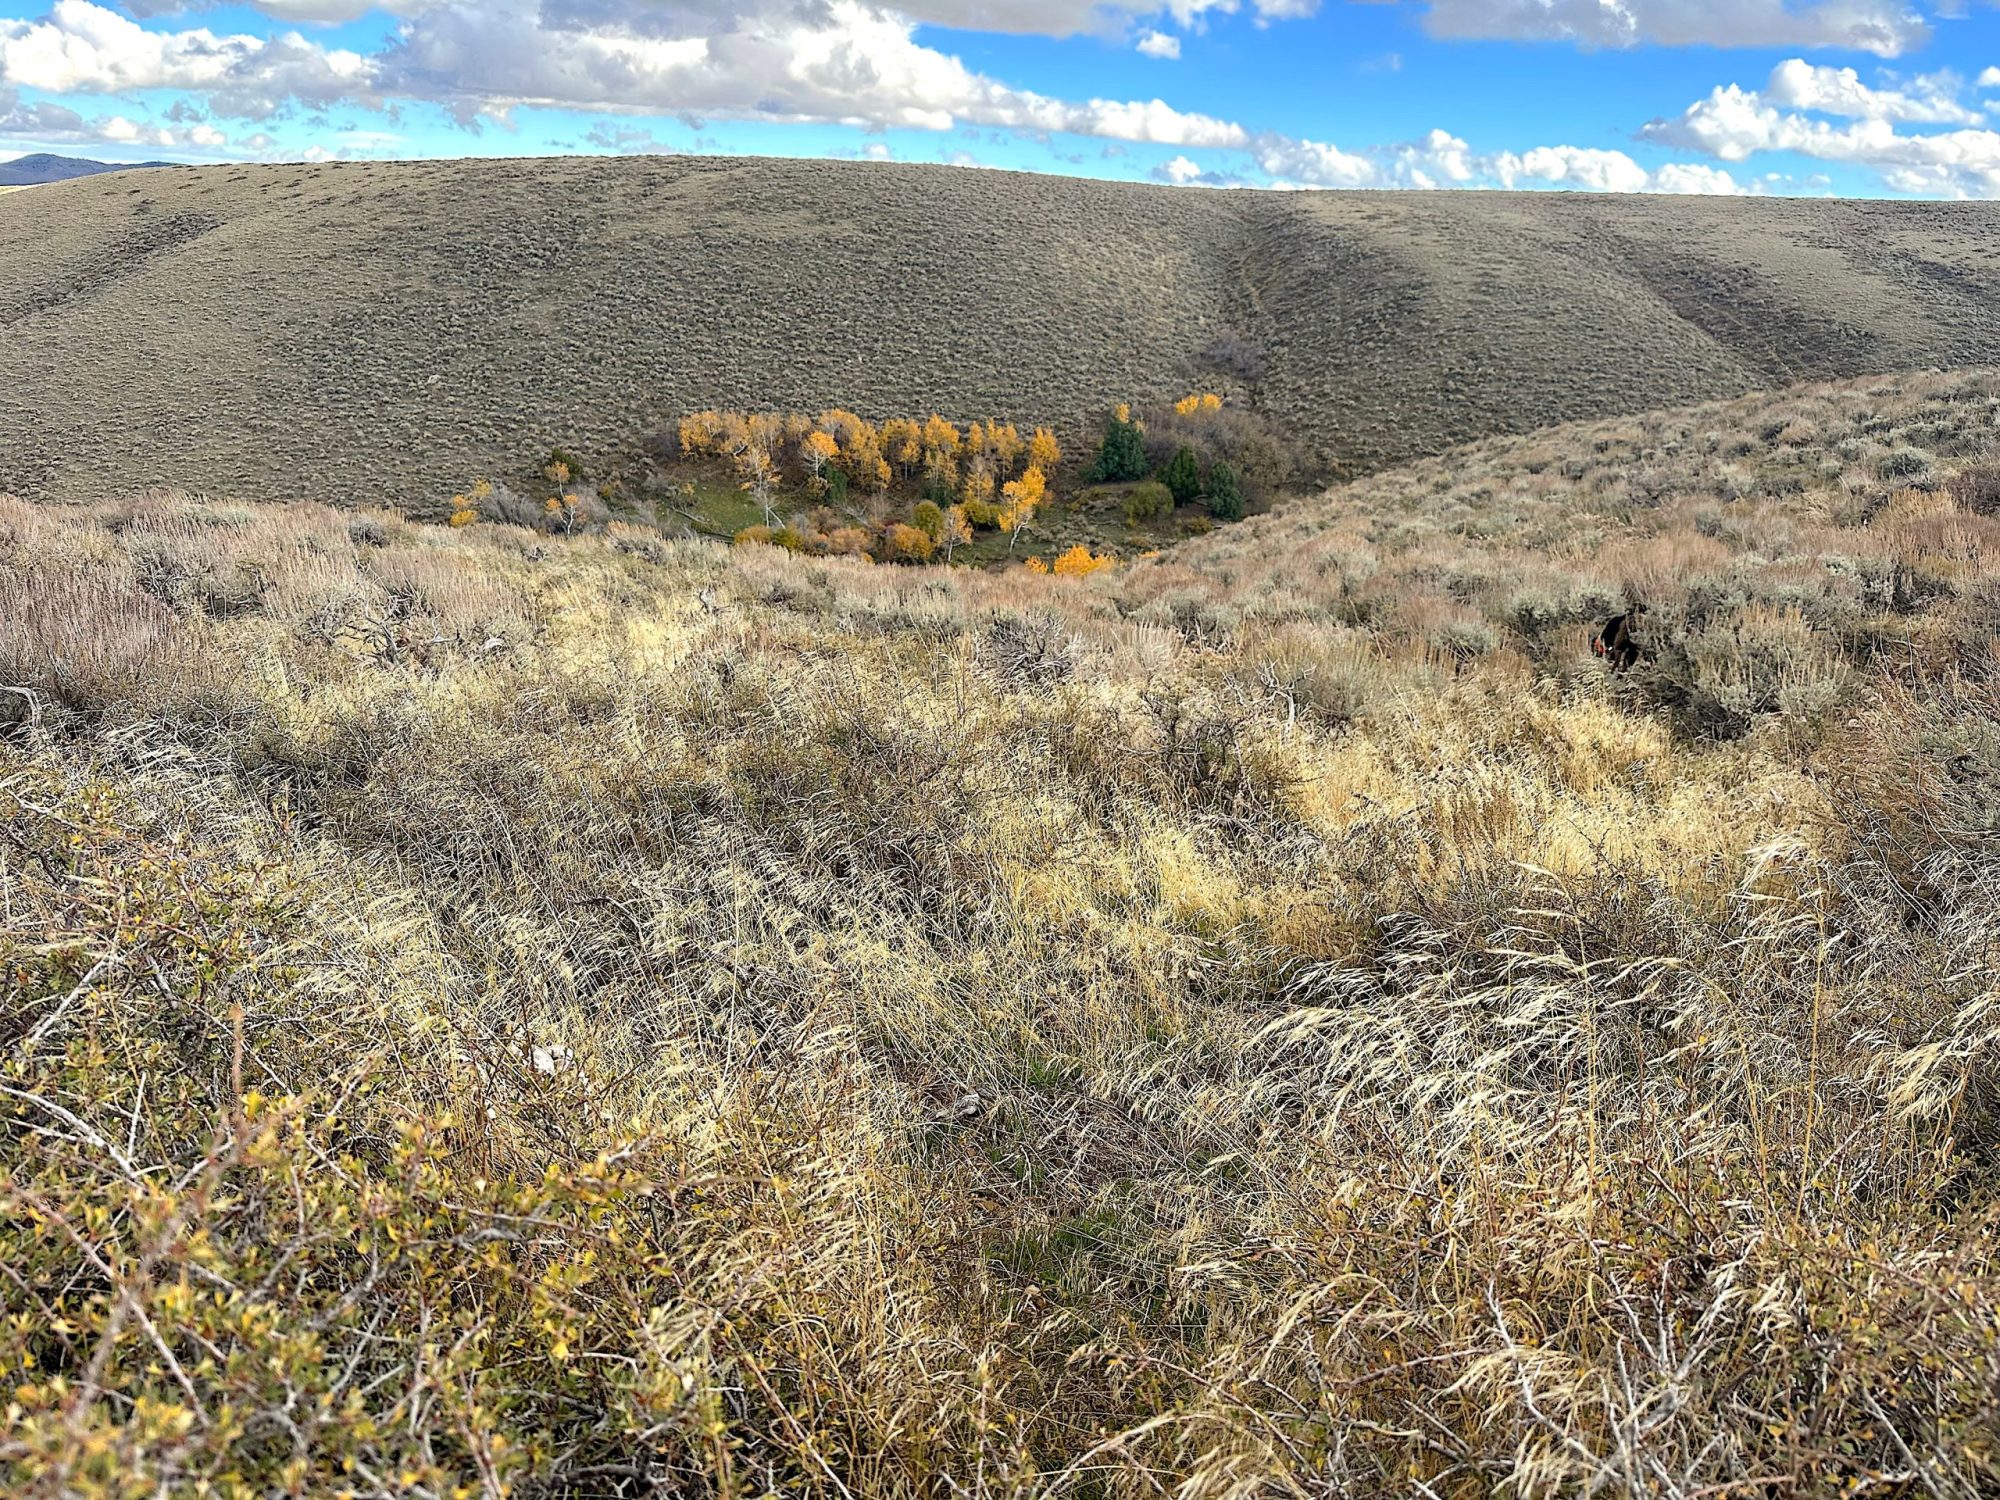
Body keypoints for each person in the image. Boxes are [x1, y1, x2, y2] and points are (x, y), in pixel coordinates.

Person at [1592, 603, 1647, 673]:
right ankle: (1624, 669)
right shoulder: (1618, 621)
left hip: (1619, 640)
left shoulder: (1615, 624)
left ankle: (1619, 670)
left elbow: (1617, 646)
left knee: (1620, 650)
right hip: (1627, 641)